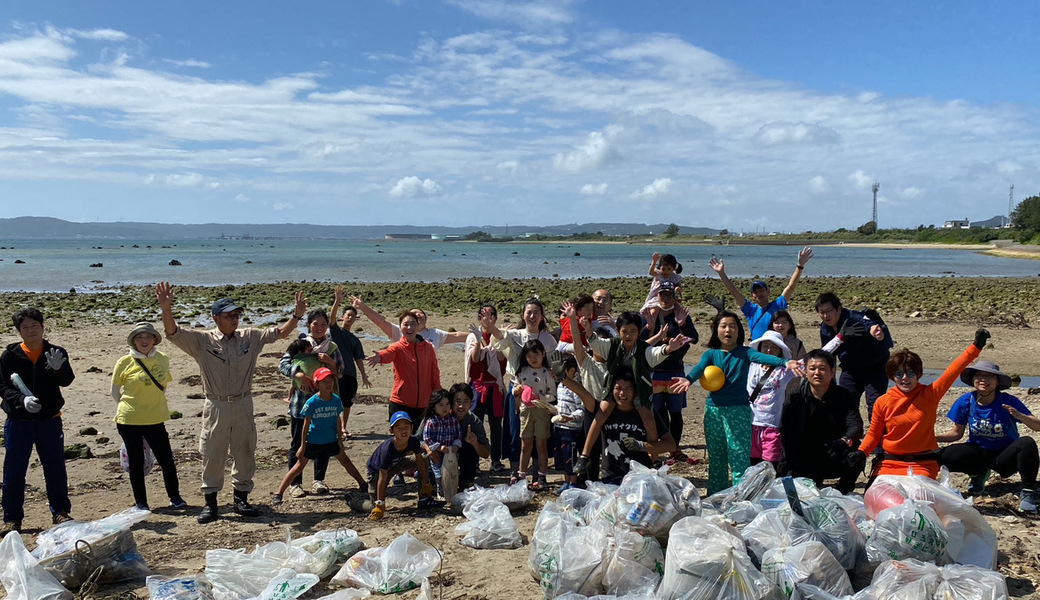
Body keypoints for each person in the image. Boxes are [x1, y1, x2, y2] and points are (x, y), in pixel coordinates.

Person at [156, 281, 307, 524]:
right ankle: (211, 504)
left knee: (245, 450)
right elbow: (173, 333)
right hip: (216, 404)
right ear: (216, 318)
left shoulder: (249, 337)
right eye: (229, 316)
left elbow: (280, 333)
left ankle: (241, 499)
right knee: (212, 452)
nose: (235, 319)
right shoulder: (202, 341)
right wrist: (166, 309)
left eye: (237, 314)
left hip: (243, 402)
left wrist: (296, 315)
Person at [669, 310, 803, 494]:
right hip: (713, 410)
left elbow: (763, 357)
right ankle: (715, 494)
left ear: (738, 331)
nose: (728, 330)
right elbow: (700, 368)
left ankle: (741, 497)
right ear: (716, 330)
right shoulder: (711, 354)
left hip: (738, 410)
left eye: (732, 326)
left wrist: (784, 362)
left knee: (739, 456)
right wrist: (688, 380)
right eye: (723, 326)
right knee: (717, 457)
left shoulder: (746, 352)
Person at [857, 329, 990, 480]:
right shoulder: (883, 402)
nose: (905, 378)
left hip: (922, 463)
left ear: (918, 374)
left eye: (911, 373)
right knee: (878, 500)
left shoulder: (930, 394)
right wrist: (861, 453)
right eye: (899, 374)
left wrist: (975, 347)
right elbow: (874, 434)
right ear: (892, 376)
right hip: (890, 462)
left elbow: (953, 370)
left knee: (919, 497)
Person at [0, 307, 75, 532]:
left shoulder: (56, 351)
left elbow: (67, 381)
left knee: (55, 468)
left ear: (43, 327)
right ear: (19, 331)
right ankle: (12, 519)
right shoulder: (10, 356)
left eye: (35, 326)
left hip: (49, 421)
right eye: (25, 327)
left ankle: (60, 512)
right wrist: (21, 401)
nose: (31, 330)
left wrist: (58, 369)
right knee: (14, 471)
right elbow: (2, 386)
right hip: (18, 422)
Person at [936, 361, 1039, 512]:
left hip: (1004, 456)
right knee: (944, 454)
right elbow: (956, 434)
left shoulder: (1007, 400)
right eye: (979, 375)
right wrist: (930, 438)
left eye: (989, 376)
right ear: (973, 380)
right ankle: (977, 474)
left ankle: (1027, 493)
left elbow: (1037, 426)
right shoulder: (966, 401)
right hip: (978, 453)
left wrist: (1020, 416)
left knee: (1027, 443)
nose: (983, 379)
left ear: (997, 382)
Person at [110, 322, 186, 511]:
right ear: (133, 341)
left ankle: (175, 498)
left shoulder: (162, 359)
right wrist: (129, 407)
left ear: (154, 339)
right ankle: (141, 503)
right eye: (139, 337)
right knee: (136, 462)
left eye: (148, 337)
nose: (144, 341)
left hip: (155, 418)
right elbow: (114, 391)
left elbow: (164, 385)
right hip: (129, 420)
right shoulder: (124, 361)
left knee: (166, 460)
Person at [483, 298, 559, 474]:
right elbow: (500, 337)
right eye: (529, 312)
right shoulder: (516, 334)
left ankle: (538, 471)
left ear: (542, 317)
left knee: (540, 433)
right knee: (517, 429)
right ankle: (516, 470)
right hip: (518, 388)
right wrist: (490, 325)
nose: (532, 316)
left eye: (536, 313)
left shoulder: (548, 339)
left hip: (542, 391)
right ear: (523, 315)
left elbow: (555, 363)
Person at [271, 368, 366, 505]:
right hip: (313, 441)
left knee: (346, 462)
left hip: (331, 440)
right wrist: (303, 445)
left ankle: (363, 484)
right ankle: (279, 493)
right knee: (298, 467)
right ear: (317, 384)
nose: (328, 384)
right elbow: (306, 425)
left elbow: (337, 420)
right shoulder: (312, 402)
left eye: (331, 381)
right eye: (324, 382)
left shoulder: (336, 400)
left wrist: (340, 441)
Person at [780, 350, 865, 493]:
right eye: (812, 369)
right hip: (804, 453)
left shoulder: (844, 396)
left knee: (856, 455)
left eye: (822, 368)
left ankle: (844, 490)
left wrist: (843, 441)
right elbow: (786, 430)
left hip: (834, 450)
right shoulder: (795, 397)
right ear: (805, 371)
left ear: (832, 372)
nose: (817, 373)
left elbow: (855, 424)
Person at [593, 366, 677, 484]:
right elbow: (583, 395)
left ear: (635, 391)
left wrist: (642, 446)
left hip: (641, 477)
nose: (622, 393)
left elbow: (671, 445)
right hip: (612, 478)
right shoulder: (604, 412)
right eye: (618, 388)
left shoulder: (646, 413)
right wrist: (564, 378)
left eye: (628, 389)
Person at [644, 284, 699, 465]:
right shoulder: (649, 314)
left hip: (675, 371)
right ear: (657, 296)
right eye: (662, 295)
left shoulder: (681, 315)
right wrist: (650, 327)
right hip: (655, 371)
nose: (665, 298)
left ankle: (674, 449)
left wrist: (682, 325)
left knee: (675, 413)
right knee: (658, 412)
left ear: (675, 298)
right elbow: (640, 342)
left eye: (669, 295)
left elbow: (695, 338)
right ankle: (660, 448)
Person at [708, 246, 814, 339]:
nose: (759, 293)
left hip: (776, 348)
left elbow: (791, 286)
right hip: (757, 348)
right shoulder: (750, 309)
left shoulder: (778, 305)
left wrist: (800, 266)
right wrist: (721, 273)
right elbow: (734, 292)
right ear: (753, 296)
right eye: (756, 292)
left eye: (762, 290)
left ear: (768, 291)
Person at [815, 292, 890, 421]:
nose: (825, 316)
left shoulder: (852, 317)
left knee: (875, 403)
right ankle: (853, 435)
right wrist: (831, 378)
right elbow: (829, 354)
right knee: (846, 403)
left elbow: (866, 322)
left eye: (828, 311)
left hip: (875, 368)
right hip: (850, 370)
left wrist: (875, 331)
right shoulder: (825, 329)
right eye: (821, 312)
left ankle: (878, 437)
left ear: (839, 309)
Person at [365, 310, 442, 428]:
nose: (409, 327)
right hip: (400, 403)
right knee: (400, 439)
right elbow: (388, 353)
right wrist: (379, 357)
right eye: (405, 324)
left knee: (419, 440)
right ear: (400, 327)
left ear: (418, 327)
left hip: (424, 404)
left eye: (413, 324)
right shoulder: (398, 347)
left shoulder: (428, 348)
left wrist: (438, 392)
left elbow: (434, 373)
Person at [278, 338, 331, 498]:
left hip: (322, 405)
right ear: (309, 325)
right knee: (297, 444)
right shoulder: (298, 345)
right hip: (299, 407)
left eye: (323, 324)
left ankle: (319, 480)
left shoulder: (328, 347)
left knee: (323, 442)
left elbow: (339, 370)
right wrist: (299, 373)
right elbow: (282, 365)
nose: (320, 327)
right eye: (316, 324)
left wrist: (329, 362)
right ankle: (295, 484)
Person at [364, 411, 438, 520]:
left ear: (412, 427)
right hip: (376, 473)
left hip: (396, 465)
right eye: (398, 428)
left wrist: (426, 483)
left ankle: (424, 499)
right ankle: (353, 501)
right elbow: (383, 477)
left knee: (423, 458)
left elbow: (419, 460)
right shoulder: (387, 449)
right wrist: (380, 503)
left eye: (406, 426)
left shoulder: (413, 440)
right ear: (391, 431)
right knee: (373, 507)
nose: (403, 430)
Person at [745, 330, 797, 470]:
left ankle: (769, 490)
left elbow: (814, 359)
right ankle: (755, 490)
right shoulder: (751, 365)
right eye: (765, 346)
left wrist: (838, 339)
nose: (769, 350)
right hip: (750, 424)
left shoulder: (784, 371)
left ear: (780, 351)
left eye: (774, 347)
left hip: (771, 426)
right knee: (752, 465)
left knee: (770, 465)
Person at [465, 303, 507, 472]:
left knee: (496, 425)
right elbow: (474, 360)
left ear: (495, 318)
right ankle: (474, 461)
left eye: (491, 315)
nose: (487, 318)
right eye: (483, 315)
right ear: (479, 319)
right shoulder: (473, 336)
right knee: (476, 423)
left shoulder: (500, 335)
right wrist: (477, 340)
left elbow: (501, 359)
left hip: (495, 386)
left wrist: (498, 339)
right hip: (477, 386)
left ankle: (496, 460)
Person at [351, 296, 467, 355]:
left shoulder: (435, 333)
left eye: (420, 313)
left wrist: (480, 335)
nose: (417, 315)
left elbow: (457, 335)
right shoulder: (400, 331)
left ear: (426, 319)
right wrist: (363, 307)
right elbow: (381, 322)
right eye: (414, 314)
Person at [513, 339, 557, 491]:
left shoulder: (547, 373)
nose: (533, 358)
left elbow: (553, 394)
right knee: (525, 445)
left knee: (541, 445)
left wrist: (540, 398)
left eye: (536, 354)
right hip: (526, 411)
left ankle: (542, 475)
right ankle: (521, 475)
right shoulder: (521, 372)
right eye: (529, 356)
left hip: (542, 410)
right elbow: (515, 389)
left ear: (543, 354)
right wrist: (516, 391)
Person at [329, 287, 372, 439]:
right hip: (335, 373)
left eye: (353, 316)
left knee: (347, 404)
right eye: (348, 315)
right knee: (333, 401)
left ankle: (343, 428)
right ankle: (334, 428)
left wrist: (364, 376)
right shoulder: (336, 332)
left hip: (350, 374)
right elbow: (331, 319)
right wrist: (337, 301)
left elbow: (358, 358)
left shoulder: (355, 339)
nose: (350, 318)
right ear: (343, 317)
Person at [449, 382, 491, 489]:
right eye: (457, 401)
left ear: (471, 404)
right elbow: (419, 440)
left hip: (462, 454)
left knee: (469, 445)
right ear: (451, 402)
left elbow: (486, 454)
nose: (461, 406)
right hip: (442, 455)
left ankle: (466, 481)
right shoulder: (439, 415)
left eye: (466, 402)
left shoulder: (474, 421)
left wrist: (475, 443)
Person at [552, 354, 584, 493]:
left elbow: (581, 410)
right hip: (559, 426)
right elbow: (561, 405)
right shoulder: (560, 386)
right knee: (561, 456)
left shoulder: (576, 388)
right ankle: (566, 481)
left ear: (572, 371)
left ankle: (573, 483)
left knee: (570, 456)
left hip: (571, 429)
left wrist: (570, 417)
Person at [421, 389, 462, 498]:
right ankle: (441, 492)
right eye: (441, 405)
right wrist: (438, 447)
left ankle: (452, 491)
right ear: (434, 406)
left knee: (452, 473)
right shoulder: (431, 421)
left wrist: (456, 444)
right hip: (438, 454)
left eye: (447, 404)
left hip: (451, 453)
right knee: (439, 474)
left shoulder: (452, 420)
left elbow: (458, 433)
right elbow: (427, 438)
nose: (445, 407)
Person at [641, 253, 683, 326]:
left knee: (678, 309)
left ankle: (678, 323)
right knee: (653, 311)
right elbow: (651, 272)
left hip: (671, 298)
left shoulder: (675, 277)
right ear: (659, 268)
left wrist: (677, 288)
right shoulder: (658, 274)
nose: (665, 272)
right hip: (656, 297)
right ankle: (651, 326)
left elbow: (679, 287)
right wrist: (654, 262)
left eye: (669, 269)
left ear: (674, 268)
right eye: (663, 269)